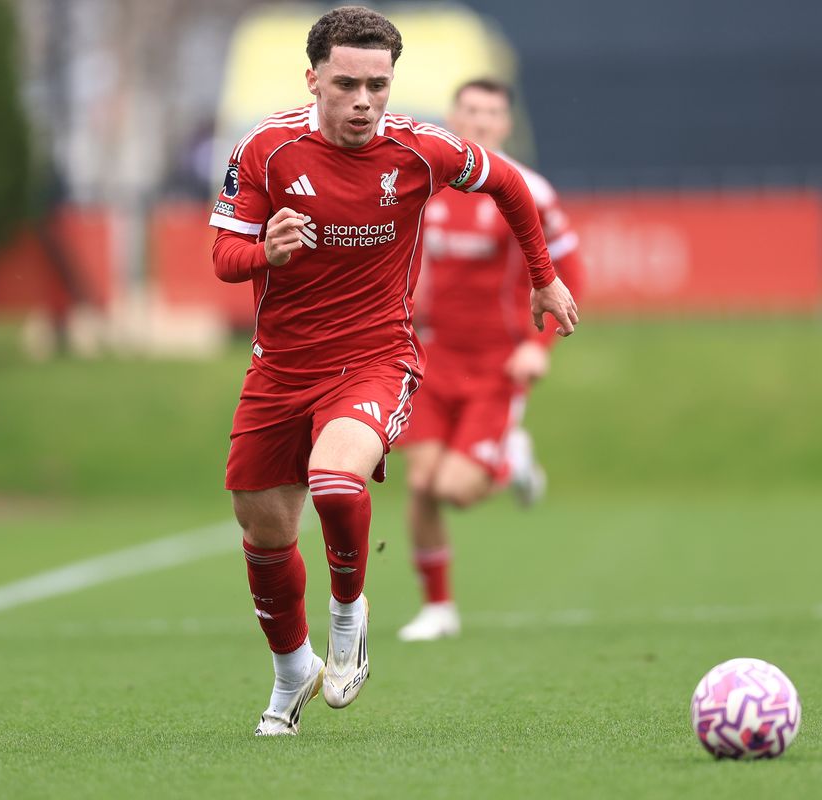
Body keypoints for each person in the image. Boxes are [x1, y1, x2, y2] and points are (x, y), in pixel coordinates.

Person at [207, 6, 578, 736]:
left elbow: (509, 184)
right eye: (346, 84)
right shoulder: (264, 150)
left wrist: (542, 278)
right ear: (313, 80)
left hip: (377, 359)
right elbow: (223, 258)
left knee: (334, 480)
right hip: (280, 368)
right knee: (265, 532)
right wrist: (265, 253)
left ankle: (349, 614)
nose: (363, 101)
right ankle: (292, 670)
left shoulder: (420, 149)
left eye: (377, 85)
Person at [396, 79, 585, 642]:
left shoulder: (528, 190)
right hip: (429, 359)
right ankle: (439, 609)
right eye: (470, 110)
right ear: (453, 116)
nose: (479, 121)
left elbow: (569, 272)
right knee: (421, 485)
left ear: (506, 123)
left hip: (496, 365)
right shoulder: (425, 183)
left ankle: (511, 460)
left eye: (491, 113)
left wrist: (538, 345)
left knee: (455, 490)